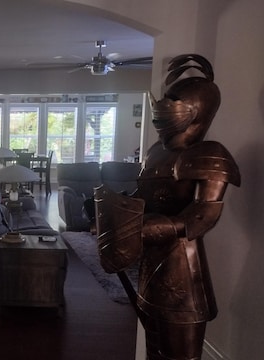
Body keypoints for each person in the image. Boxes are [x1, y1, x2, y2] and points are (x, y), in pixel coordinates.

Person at [95, 54, 240, 359]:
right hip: (150, 262)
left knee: (180, 353)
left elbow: (202, 216)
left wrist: (149, 227)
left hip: (183, 267)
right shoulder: (154, 151)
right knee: (153, 347)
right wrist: (115, 212)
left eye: (173, 102)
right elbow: (141, 193)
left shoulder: (210, 154)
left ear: (196, 111)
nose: (162, 110)